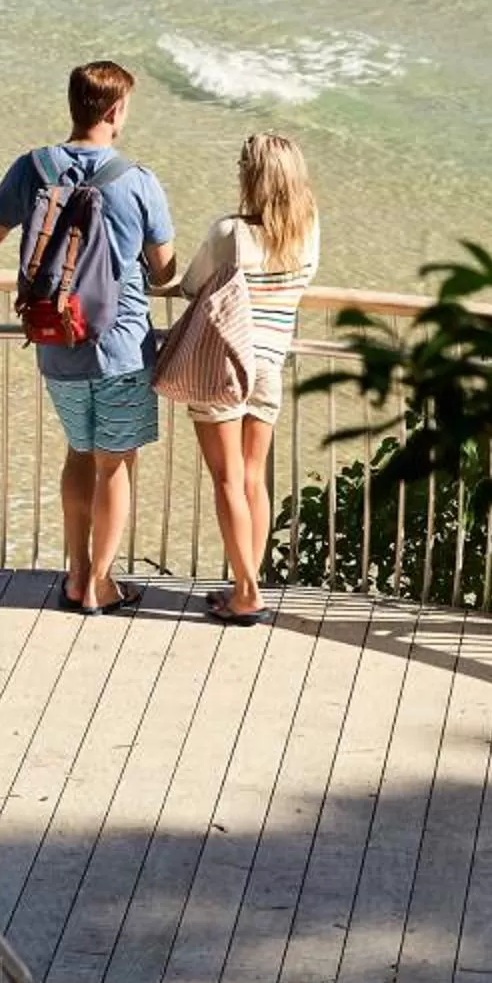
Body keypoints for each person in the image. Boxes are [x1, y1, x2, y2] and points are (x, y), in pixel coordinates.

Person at [0, 60, 176, 614]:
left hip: (56, 338)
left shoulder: (32, 168)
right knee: (115, 463)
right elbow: (165, 268)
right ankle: (100, 585)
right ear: (115, 110)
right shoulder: (138, 180)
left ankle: (76, 574)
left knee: (80, 451)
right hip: (121, 346)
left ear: (74, 106)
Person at [176, 131, 320, 627]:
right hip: (270, 365)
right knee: (253, 478)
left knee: (227, 480)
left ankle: (247, 593)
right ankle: (246, 584)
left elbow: (190, 286)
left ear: (251, 177)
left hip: (224, 365)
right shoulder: (308, 229)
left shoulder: (229, 233)